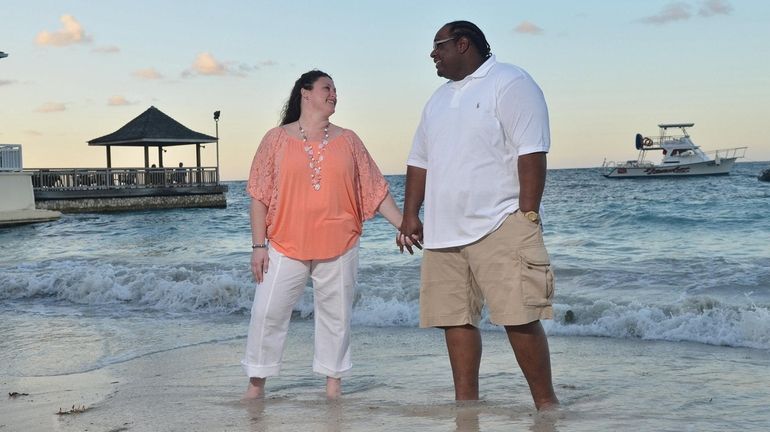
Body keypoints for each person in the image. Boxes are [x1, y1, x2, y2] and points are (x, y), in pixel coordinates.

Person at [398, 20, 559, 410]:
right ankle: (466, 407)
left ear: (463, 44)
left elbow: (532, 152)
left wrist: (527, 216)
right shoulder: (436, 99)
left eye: (438, 46)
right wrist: (410, 215)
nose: (432, 54)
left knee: (518, 316)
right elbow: (419, 161)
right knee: (454, 319)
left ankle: (547, 405)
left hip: (500, 222)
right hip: (443, 232)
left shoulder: (510, 82)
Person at [241, 70, 402, 400]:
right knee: (267, 313)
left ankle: (333, 387)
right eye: (327, 88)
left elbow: (374, 189)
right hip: (285, 242)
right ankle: (256, 385)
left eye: (335, 90)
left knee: (336, 317)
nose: (334, 94)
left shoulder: (349, 140)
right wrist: (259, 246)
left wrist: (405, 224)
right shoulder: (276, 139)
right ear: (306, 92)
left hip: (340, 241)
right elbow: (259, 195)